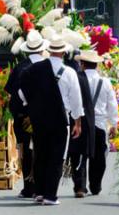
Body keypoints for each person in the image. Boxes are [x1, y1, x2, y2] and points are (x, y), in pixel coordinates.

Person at [19, 35, 84, 206]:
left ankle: (39, 192)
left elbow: (21, 91)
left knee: (40, 154)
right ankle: (50, 195)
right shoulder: (69, 72)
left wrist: (30, 103)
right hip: (61, 119)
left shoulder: (36, 69)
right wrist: (78, 122)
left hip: (39, 118)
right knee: (57, 156)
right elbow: (76, 100)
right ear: (63, 52)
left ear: (48, 50)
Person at [5, 30, 48, 199]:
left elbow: (11, 92)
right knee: (42, 149)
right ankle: (42, 186)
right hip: (44, 116)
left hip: (23, 116)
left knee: (25, 150)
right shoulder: (49, 66)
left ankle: (28, 187)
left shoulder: (20, 67)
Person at [69, 50, 118, 197]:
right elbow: (112, 104)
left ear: (82, 64)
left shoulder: (77, 79)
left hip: (79, 122)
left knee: (78, 154)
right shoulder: (106, 82)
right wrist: (114, 123)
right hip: (99, 124)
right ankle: (95, 185)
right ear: (96, 65)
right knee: (98, 157)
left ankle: (80, 187)